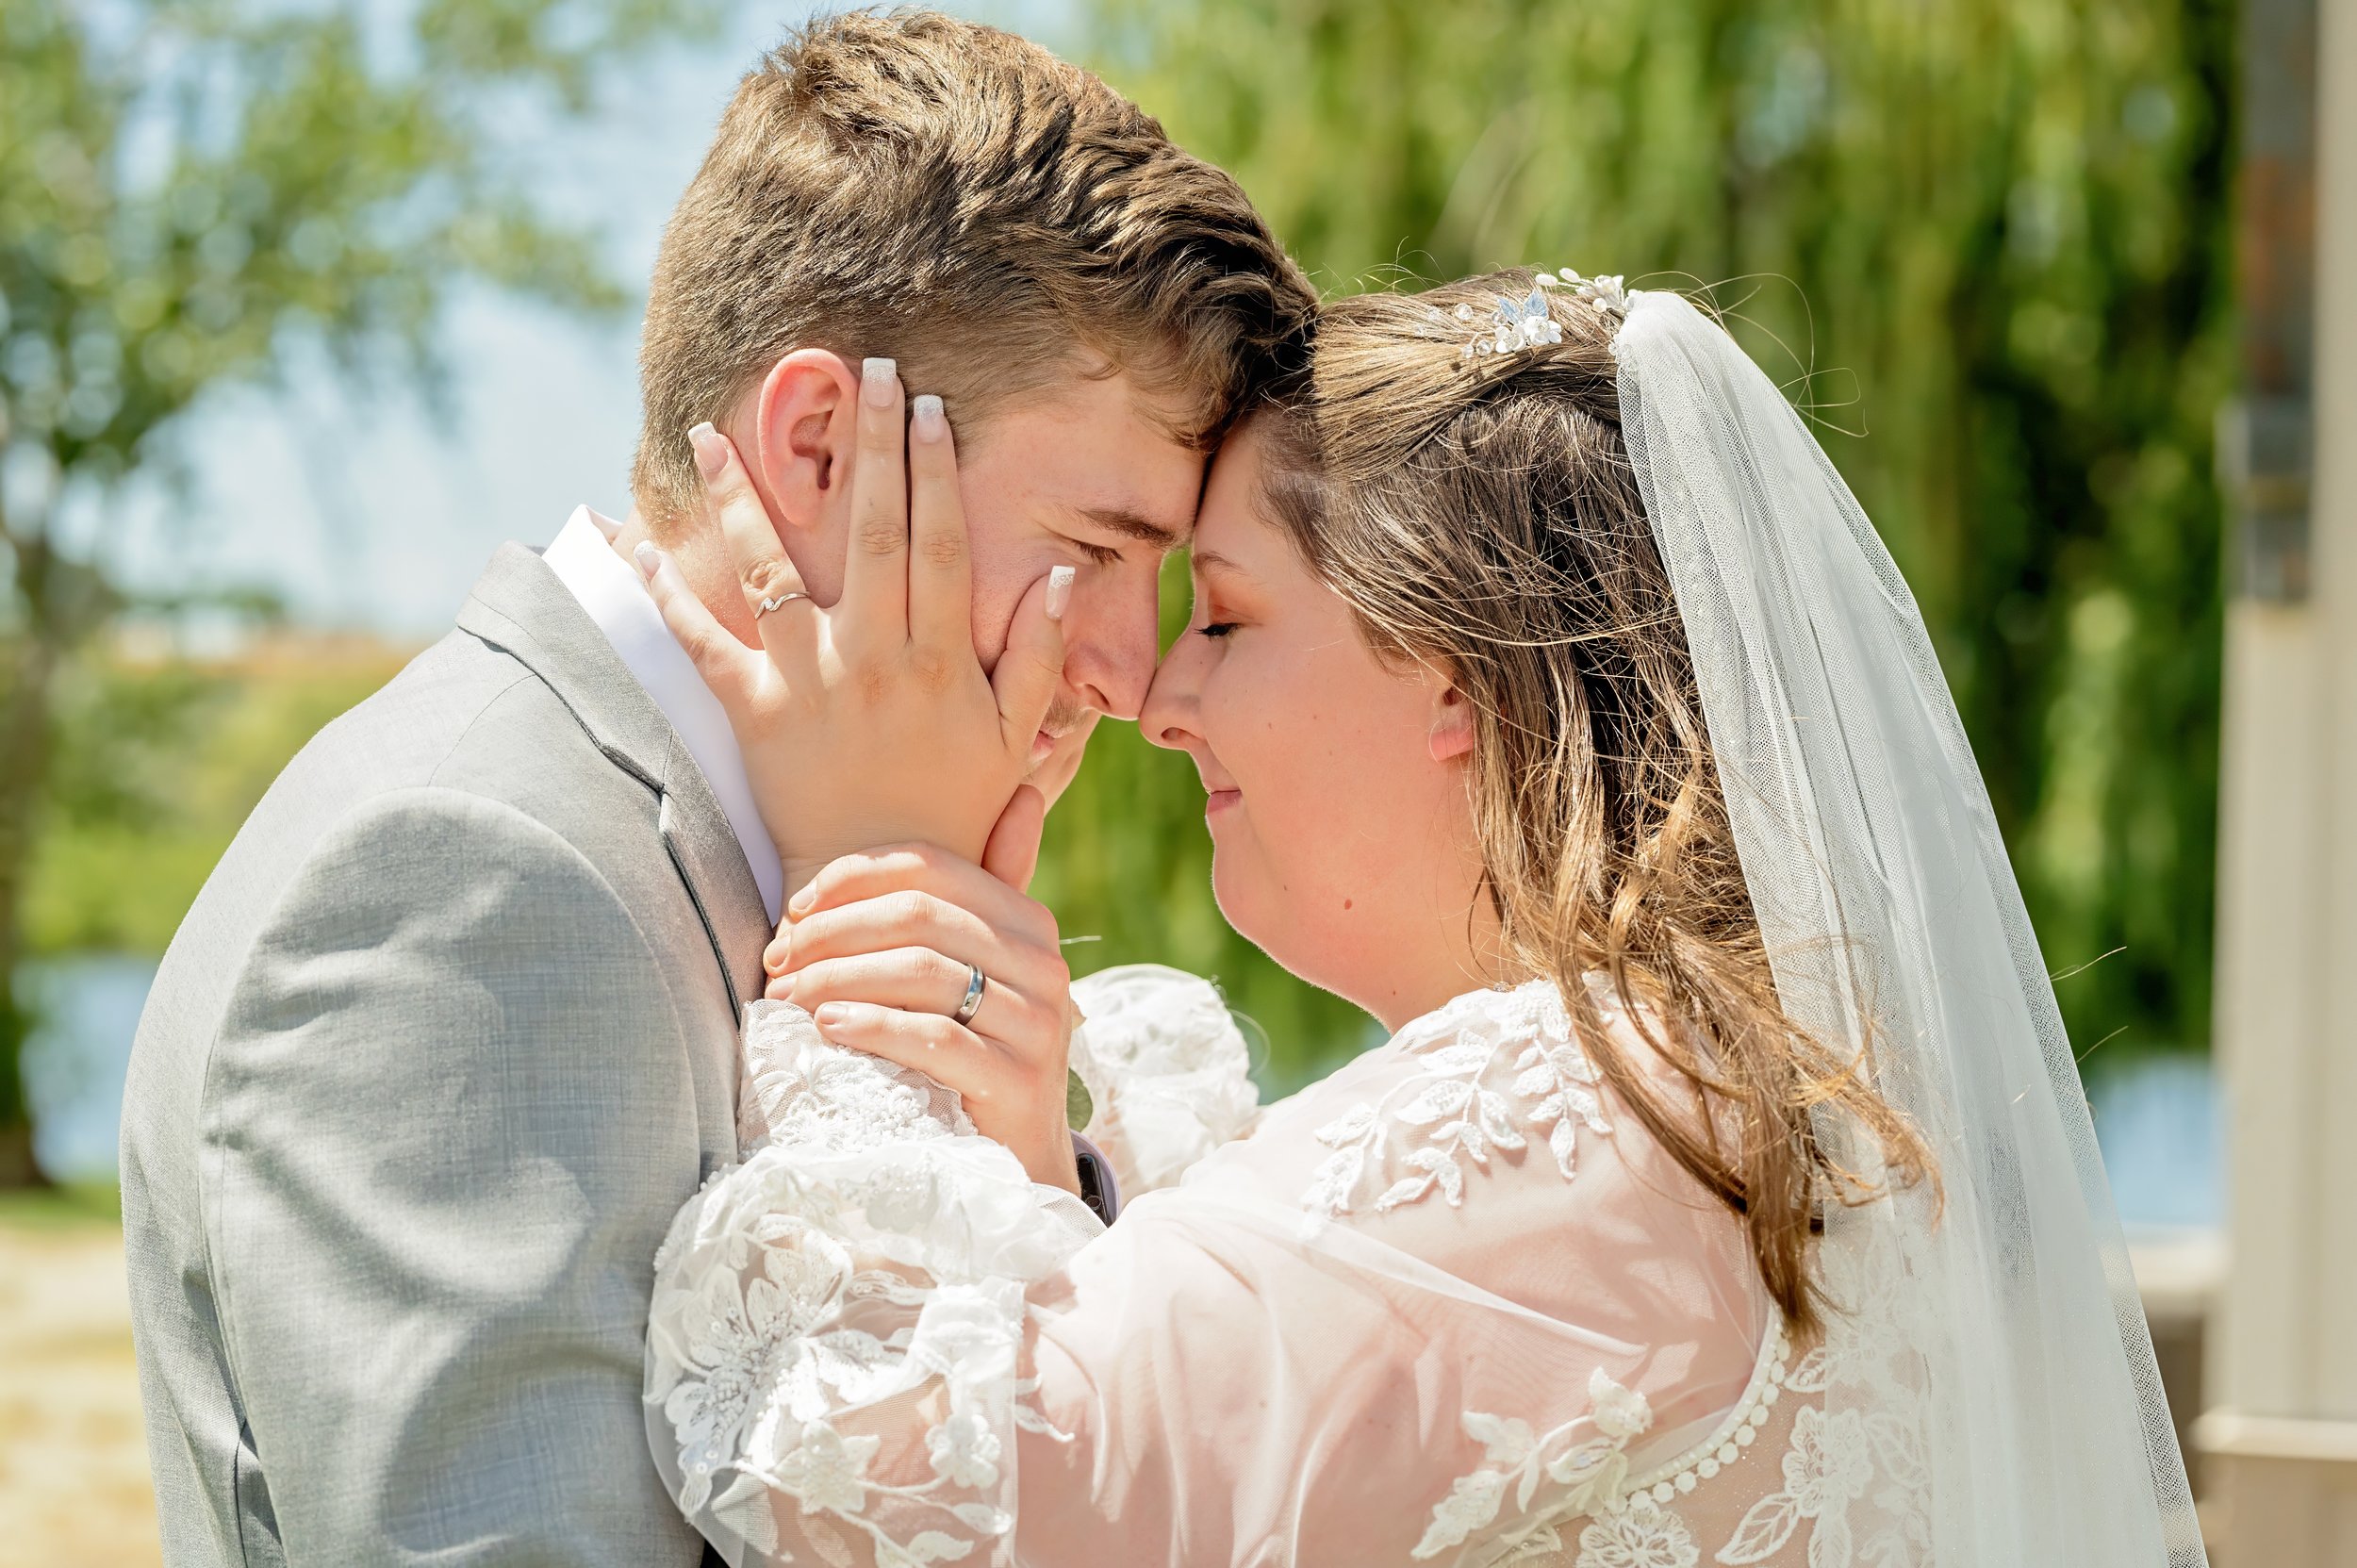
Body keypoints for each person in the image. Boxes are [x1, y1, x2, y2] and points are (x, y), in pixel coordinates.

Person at [636, 273, 2209, 1565]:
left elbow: (870, 1489)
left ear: (1451, 674)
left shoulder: (1581, 1115)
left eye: (1232, 616)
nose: (1161, 697)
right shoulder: (1710, 1100)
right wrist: (1035, 1181)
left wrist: (872, 864)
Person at [115, 12, 1314, 1565]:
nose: (1128, 675)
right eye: (1093, 553)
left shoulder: (804, 840)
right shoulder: (466, 878)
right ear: (819, 447)